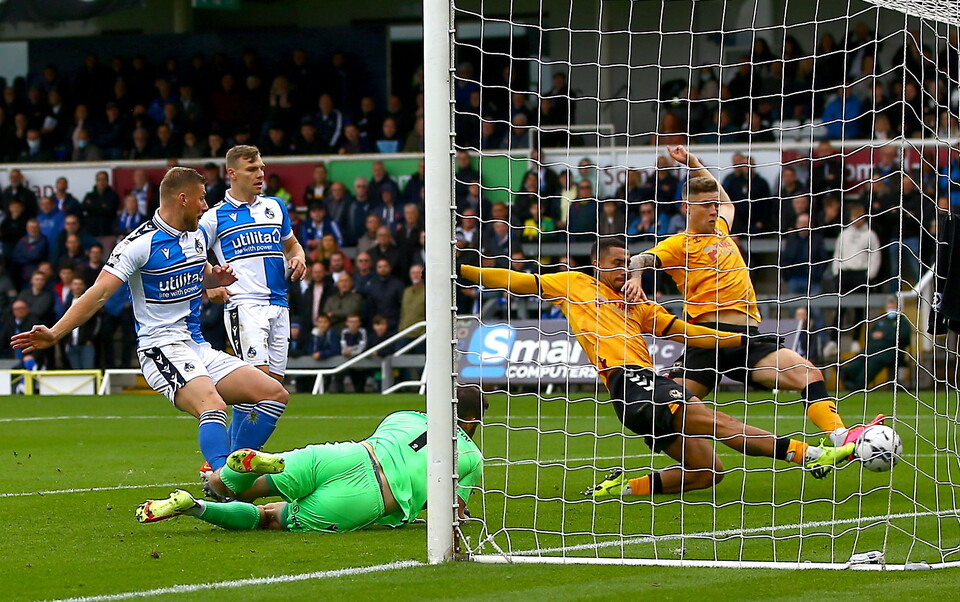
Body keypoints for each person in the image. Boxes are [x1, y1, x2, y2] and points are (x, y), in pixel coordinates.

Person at [461, 238, 853, 495]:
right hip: (630, 383)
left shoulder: (640, 306)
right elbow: (518, 282)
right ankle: (809, 454)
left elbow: (689, 332)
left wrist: (741, 340)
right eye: (616, 264)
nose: (623, 270)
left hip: (642, 390)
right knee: (720, 423)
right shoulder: (574, 285)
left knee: (708, 471)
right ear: (596, 265)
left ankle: (620, 489)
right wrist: (464, 271)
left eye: (627, 264)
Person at [11, 166, 290, 473]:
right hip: (160, 348)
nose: (205, 206)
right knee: (213, 406)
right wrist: (54, 332)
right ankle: (225, 479)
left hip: (196, 345)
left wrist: (214, 278)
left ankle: (227, 472)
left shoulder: (196, 237)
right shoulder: (139, 244)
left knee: (274, 393)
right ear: (183, 199)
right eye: (201, 199)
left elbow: (200, 273)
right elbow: (99, 293)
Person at [625, 145, 880, 452]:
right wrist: (637, 277)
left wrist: (693, 162)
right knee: (664, 409)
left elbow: (726, 200)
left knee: (808, 373)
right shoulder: (679, 244)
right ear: (686, 207)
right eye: (705, 205)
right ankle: (675, 466)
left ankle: (842, 440)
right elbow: (639, 259)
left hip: (747, 340)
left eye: (714, 205)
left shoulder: (721, 228)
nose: (713, 210)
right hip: (708, 341)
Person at [136, 386, 486, 532]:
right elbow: (450, 510)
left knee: (241, 488)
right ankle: (193, 506)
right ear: (470, 420)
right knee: (268, 517)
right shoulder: (471, 456)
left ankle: (222, 476)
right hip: (368, 496)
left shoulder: (404, 416)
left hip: (344, 455)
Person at [199, 146, 307, 448]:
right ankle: (236, 466)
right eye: (252, 169)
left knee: (272, 388)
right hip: (245, 305)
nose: (260, 174)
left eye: (261, 168)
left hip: (279, 305)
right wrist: (210, 283)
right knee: (258, 386)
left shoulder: (275, 206)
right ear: (231, 173)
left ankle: (232, 464)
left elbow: (292, 245)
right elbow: (191, 253)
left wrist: (299, 257)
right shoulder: (214, 217)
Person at [841, 297, 911, 391]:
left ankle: (858, 384)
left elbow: (904, 337)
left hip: (892, 351)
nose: (890, 307)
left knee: (875, 361)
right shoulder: (881, 321)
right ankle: (847, 373)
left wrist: (884, 336)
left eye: (893, 304)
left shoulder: (903, 322)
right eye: (889, 304)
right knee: (862, 355)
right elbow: (870, 335)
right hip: (874, 348)